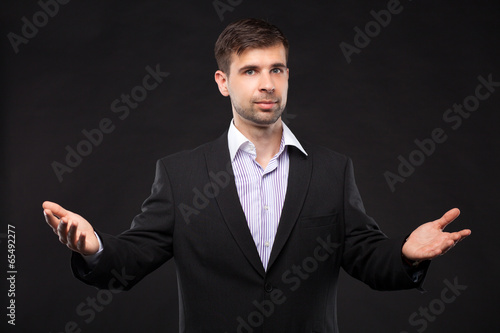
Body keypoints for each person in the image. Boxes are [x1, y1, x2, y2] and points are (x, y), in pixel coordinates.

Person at [42, 18, 471, 333]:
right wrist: (96, 249)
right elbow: (130, 261)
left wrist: (406, 255)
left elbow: (367, 258)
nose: (267, 84)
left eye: (276, 69)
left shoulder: (332, 170)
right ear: (223, 82)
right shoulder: (179, 175)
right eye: (250, 71)